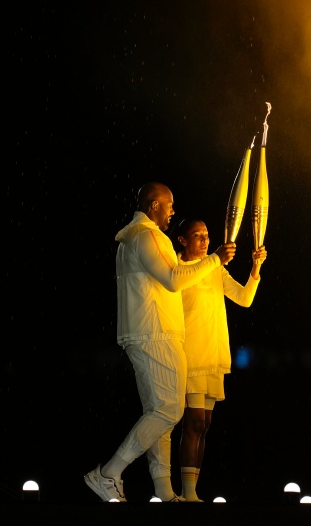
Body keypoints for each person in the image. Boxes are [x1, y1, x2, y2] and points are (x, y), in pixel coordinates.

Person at [84, 183, 235, 502]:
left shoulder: (130, 239)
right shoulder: (148, 236)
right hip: (156, 333)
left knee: (158, 412)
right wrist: (214, 260)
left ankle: (164, 490)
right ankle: (109, 473)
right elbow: (173, 279)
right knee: (168, 411)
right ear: (154, 205)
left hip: (145, 333)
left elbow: (175, 274)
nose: (173, 211)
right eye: (169, 205)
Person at [172, 217, 267, 502]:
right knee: (194, 422)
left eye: (206, 234)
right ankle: (186, 494)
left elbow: (244, 298)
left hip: (213, 354)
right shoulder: (177, 270)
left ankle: (192, 491)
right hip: (190, 355)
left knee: (205, 425)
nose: (204, 240)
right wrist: (214, 259)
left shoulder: (215, 269)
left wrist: (256, 266)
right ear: (183, 240)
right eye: (197, 235)